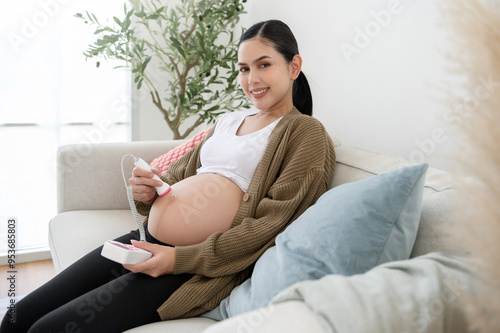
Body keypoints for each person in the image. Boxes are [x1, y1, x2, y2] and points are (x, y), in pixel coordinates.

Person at [0, 19, 336, 332]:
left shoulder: (305, 133)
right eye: (244, 69)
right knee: (16, 318)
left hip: (193, 268)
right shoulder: (228, 122)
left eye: (264, 65)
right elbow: (174, 179)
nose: (252, 79)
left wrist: (178, 259)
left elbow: (269, 226)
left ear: (293, 66)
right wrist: (147, 193)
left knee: (47, 329)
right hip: (146, 241)